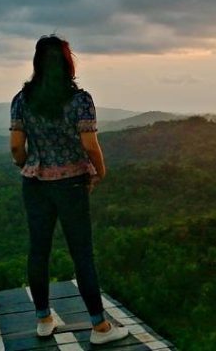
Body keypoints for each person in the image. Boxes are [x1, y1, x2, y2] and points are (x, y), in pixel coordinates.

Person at [9, 34, 130, 345]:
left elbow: (15, 147)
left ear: (37, 64)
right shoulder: (80, 100)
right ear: (67, 63)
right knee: (82, 253)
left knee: (39, 250)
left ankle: (43, 320)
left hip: (35, 183)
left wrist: (28, 163)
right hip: (72, 183)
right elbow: (91, 145)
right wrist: (100, 172)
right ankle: (100, 327)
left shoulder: (22, 100)